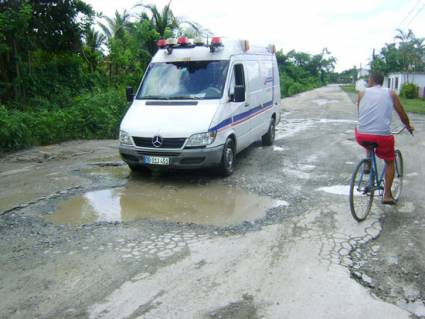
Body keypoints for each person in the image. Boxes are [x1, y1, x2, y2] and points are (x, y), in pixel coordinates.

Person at [355, 71, 414, 205]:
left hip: (362, 134)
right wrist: (408, 126)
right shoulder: (391, 93)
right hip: (382, 136)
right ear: (382, 81)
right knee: (389, 161)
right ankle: (387, 195)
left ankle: (368, 158)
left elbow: (362, 113)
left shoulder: (361, 93)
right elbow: (401, 113)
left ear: (371, 80)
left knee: (367, 140)